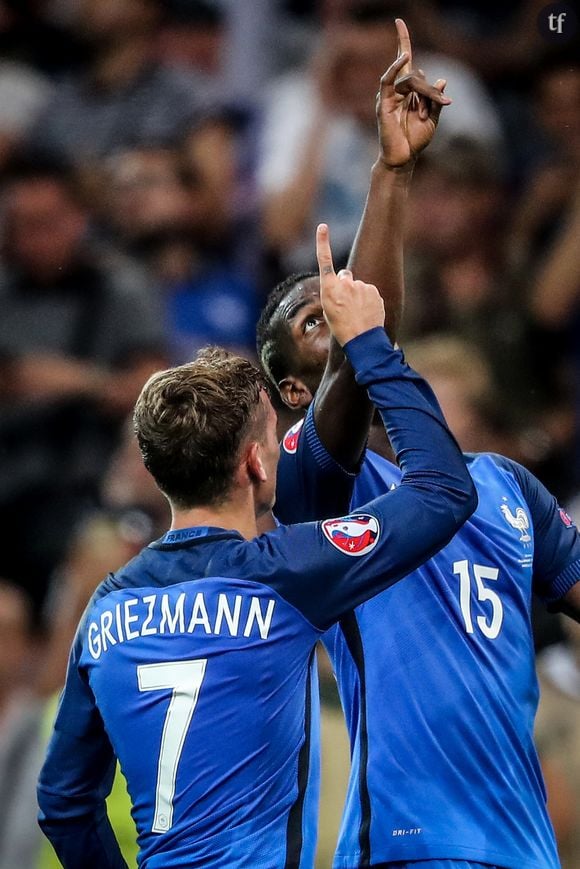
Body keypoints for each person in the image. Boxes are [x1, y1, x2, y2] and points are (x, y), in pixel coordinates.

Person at [37, 224, 476, 869]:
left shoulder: (104, 611)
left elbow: (64, 803)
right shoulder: (285, 574)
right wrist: (372, 349)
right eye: (275, 437)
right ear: (255, 463)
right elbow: (443, 491)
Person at [256, 23, 580, 869]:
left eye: (346, 303)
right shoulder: (315, 487)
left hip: (526, 852)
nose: (345, 306)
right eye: (316, 317)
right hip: (404, 848)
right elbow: (367, 350)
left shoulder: (509, 486)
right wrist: (391, 175)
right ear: (294, 391)